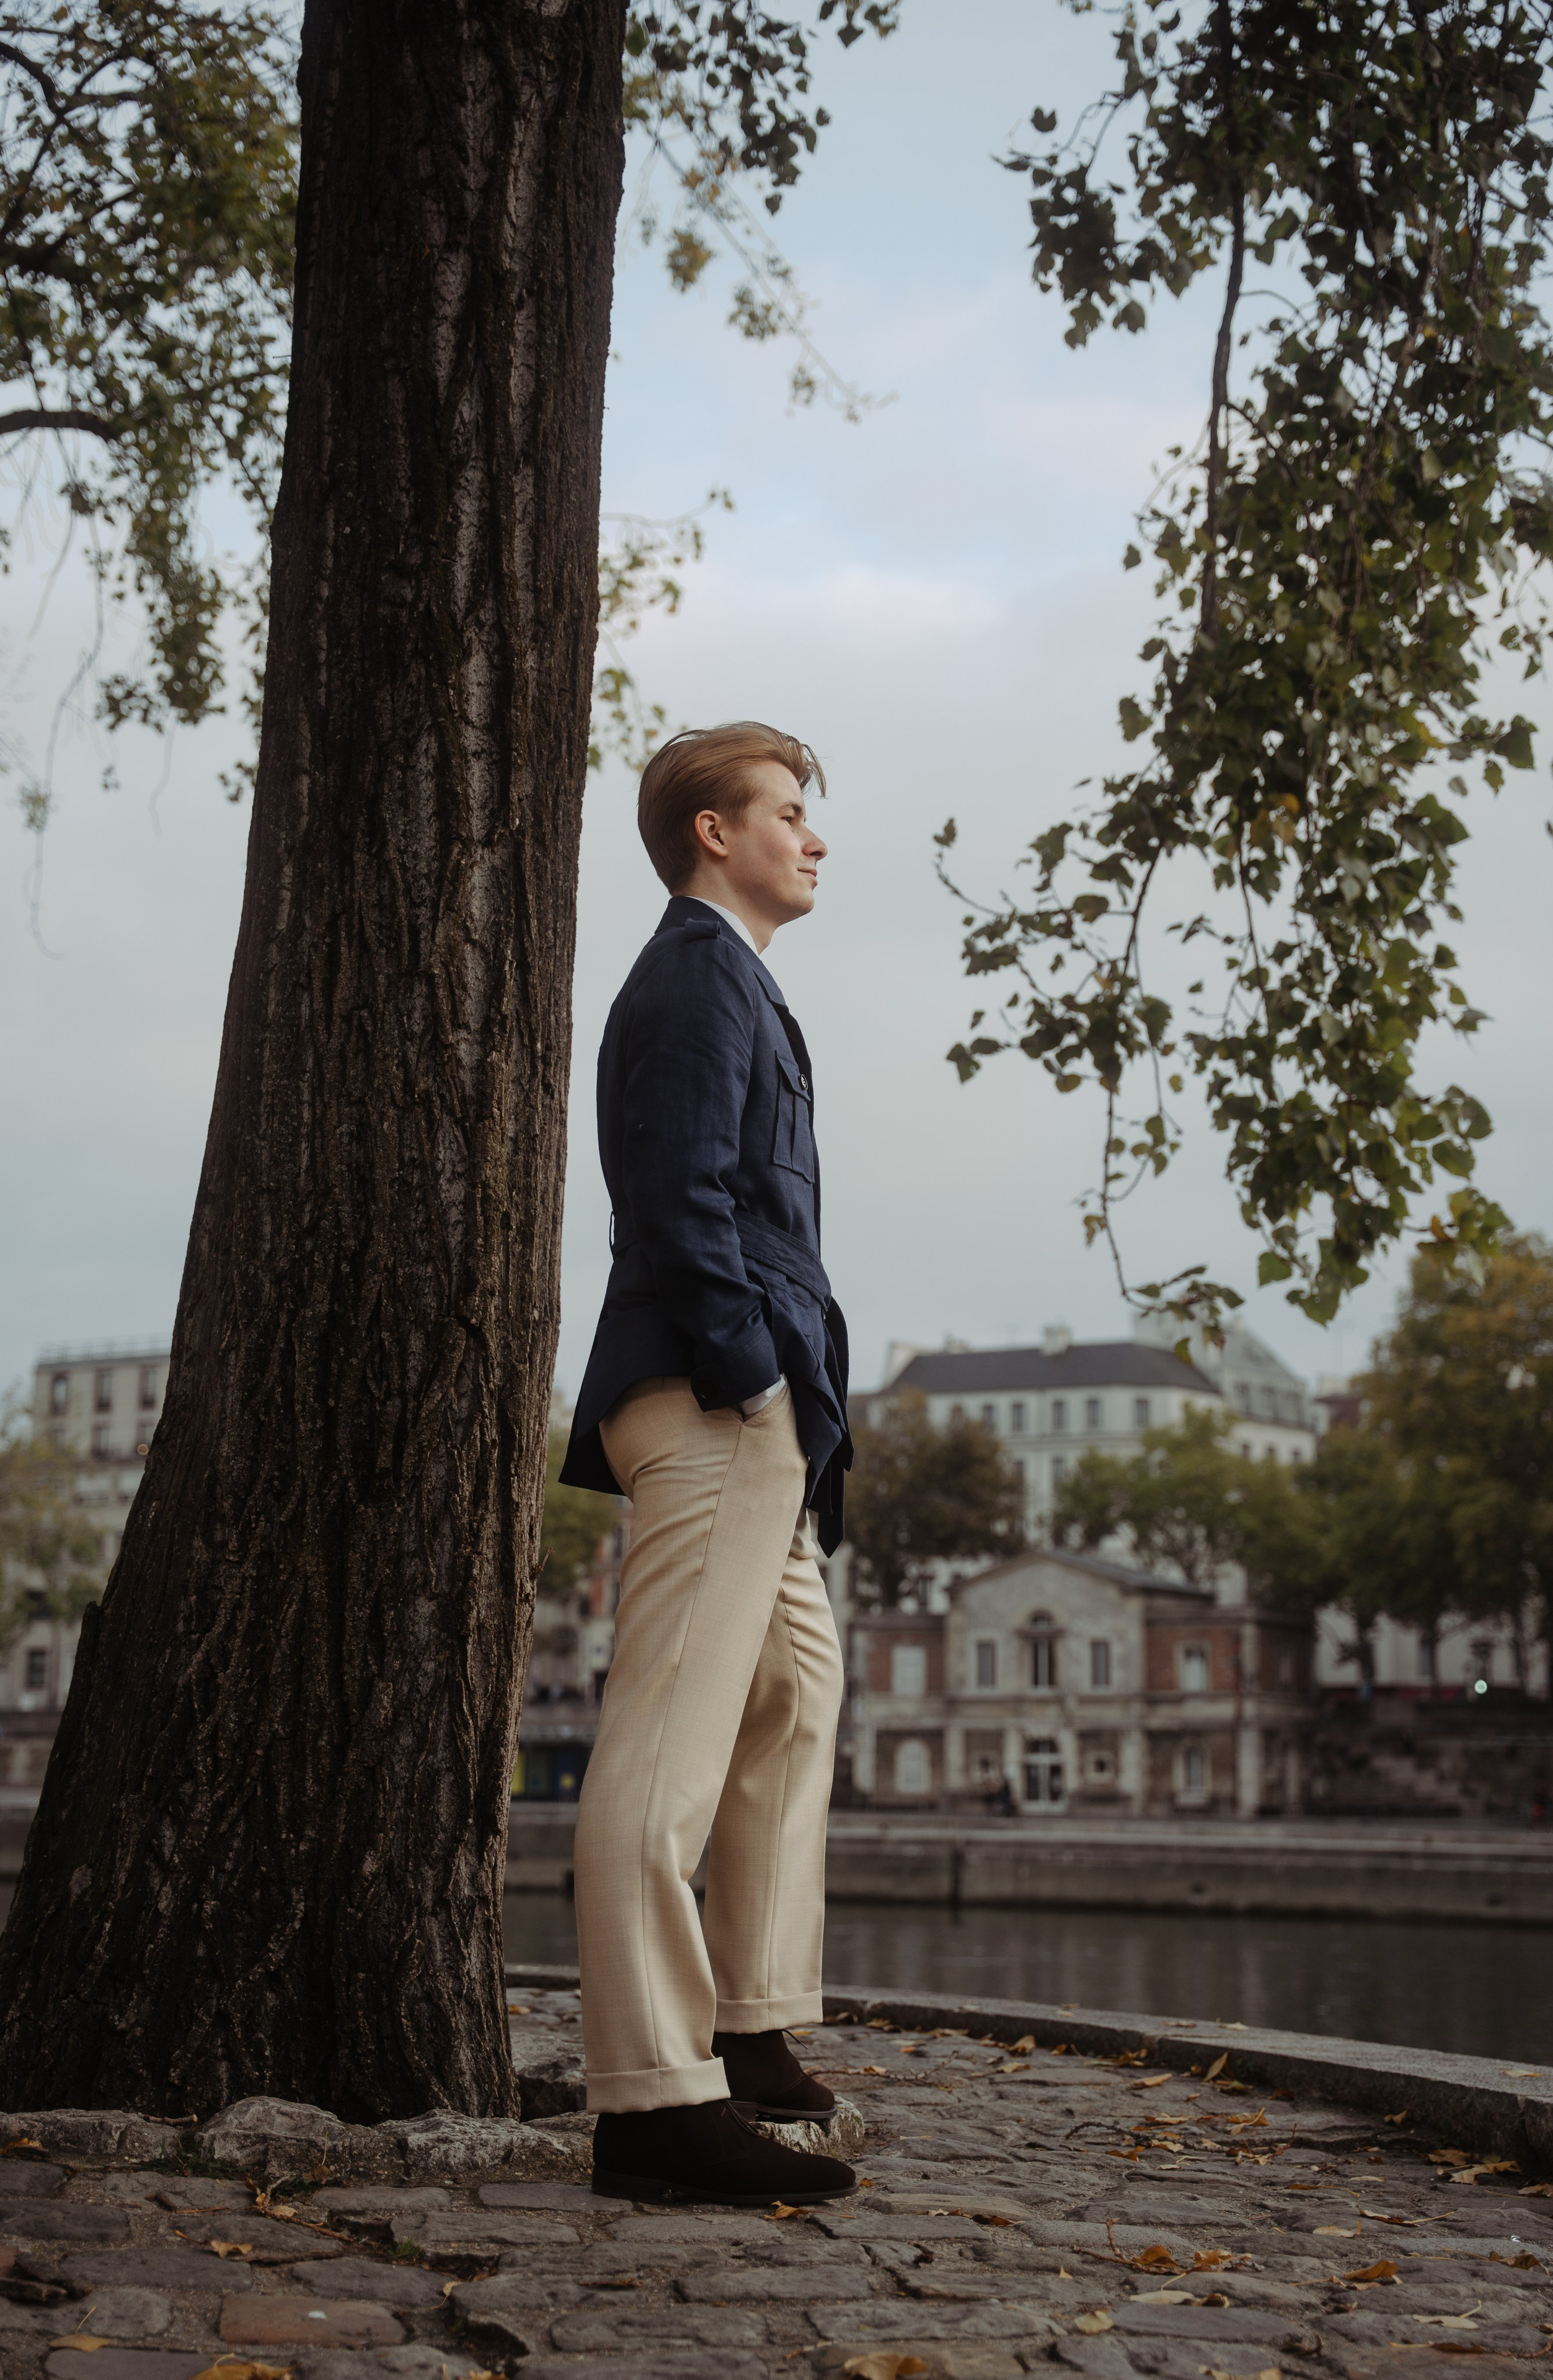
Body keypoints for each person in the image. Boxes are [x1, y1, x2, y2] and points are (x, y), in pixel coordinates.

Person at [559, 721, 855, 2206]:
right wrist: (748, 1374)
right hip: (711, 1397)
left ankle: (745, 2023)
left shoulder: (731, 974)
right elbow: (671, 1193)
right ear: (710, 833)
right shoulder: (690, 970)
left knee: (796, 1693)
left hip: (756, 1411)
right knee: (668, 1744)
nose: (813, 837)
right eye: (788, 813)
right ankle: (653, 2101)